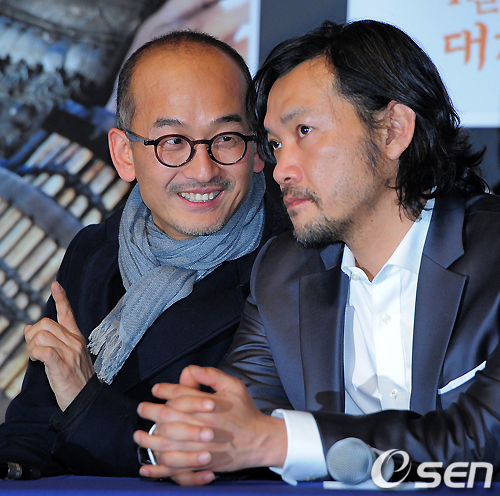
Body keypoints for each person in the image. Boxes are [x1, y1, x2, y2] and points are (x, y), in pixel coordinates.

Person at [133, 19, 500, 486]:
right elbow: (234, 418)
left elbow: (481, 440)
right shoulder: (284, 271)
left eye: (304, 130)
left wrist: (281, 442)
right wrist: (184, 439)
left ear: (392, 130)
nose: (280, 168)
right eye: (274, 144)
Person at [0, 31, 285, 477]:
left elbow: (218, 456)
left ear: (256, 148)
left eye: (226, 138)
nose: (203, 170)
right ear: (123, 155)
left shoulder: (295, 264)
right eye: (172, 142)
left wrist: (85, 399)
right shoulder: (94, 252)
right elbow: (36, 423)